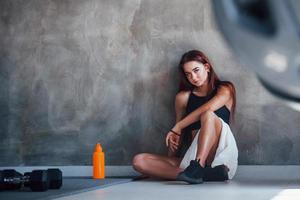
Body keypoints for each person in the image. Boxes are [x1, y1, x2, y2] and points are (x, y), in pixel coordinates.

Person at [132, 50, 238, 184]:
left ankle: (198, 168)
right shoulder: (183, 97)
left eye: (196, 70)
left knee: (208, 115)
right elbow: (178, 135)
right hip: (193, 157)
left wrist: (178, 126)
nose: (193, 77)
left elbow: (207, 108)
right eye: (188, 74)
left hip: (221, 156)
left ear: (207, 67)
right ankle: (205, 174)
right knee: (139, 161)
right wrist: (167, 159)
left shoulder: (225, 89)